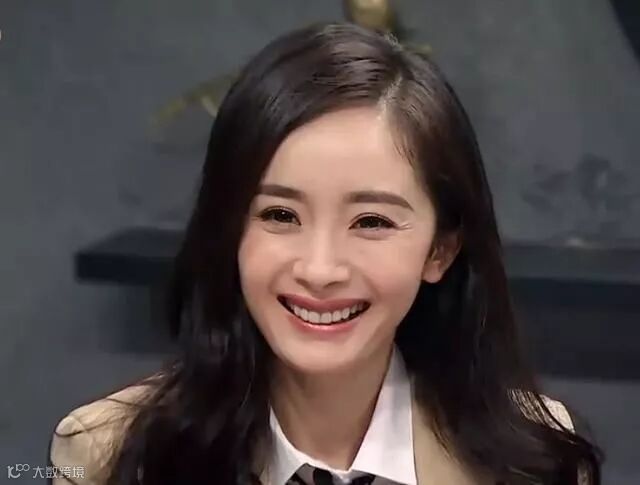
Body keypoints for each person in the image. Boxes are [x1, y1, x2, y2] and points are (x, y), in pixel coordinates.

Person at [49, 22, 602, 485]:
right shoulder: (107, 456)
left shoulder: (538, 460)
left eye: (371, 222)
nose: (319, 270)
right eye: (279, 215)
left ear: (441, 249)